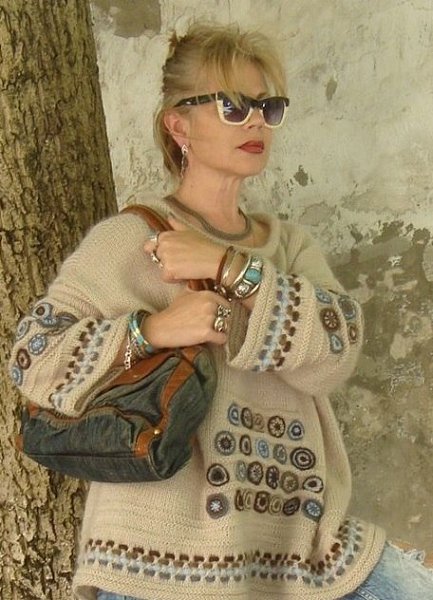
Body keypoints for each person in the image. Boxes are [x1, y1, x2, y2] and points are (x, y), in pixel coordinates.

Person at [9, 21, 433, 600]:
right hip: (154, 563)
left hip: (298, 549)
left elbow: (334, 353)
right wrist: (150, 330)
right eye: (233, 106)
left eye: (268, 106)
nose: (256, 121)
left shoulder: (289, 247)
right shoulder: (129, 239)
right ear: (178, 125)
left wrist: (232, 268)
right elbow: (33, 357)